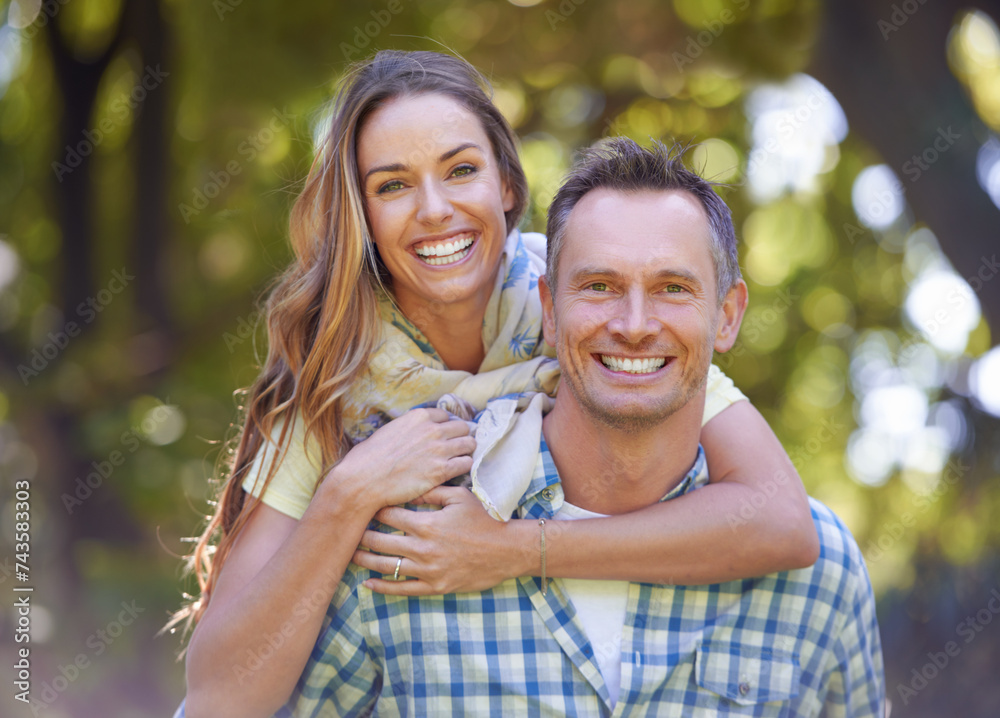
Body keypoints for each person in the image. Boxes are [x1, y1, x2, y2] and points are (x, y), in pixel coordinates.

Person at [177, 51, 820, 718]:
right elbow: (219, 699)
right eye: (393, 186)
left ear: (507, 186)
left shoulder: (591, 309)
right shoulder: (334, 375)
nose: (434, 209)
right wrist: (350, 489)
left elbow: (779, 521)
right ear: (360, 214)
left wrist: (512, 550)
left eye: (461, 171)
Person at [278, 137, 885, 717]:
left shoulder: (820, 578)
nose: (635, 324)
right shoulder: (412, 544)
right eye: (600, 286)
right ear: (548, 307)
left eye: (673, 288)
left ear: (726, 316)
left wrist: (519, 551)